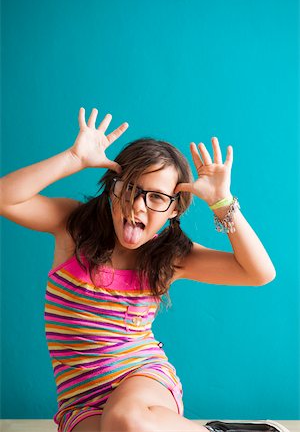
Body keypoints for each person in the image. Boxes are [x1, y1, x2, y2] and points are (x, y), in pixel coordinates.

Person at [1, 107, 281, 432]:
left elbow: (260, 273)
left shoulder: (172, 256)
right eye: (131, 189)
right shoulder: (73, 226)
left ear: (174, 209)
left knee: (126, 419)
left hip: (143, 382)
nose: (138, 205)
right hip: (81, 399)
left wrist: (222, 201)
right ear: (113, 188)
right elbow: (6, 198)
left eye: (157, 197)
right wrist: (72, 159)